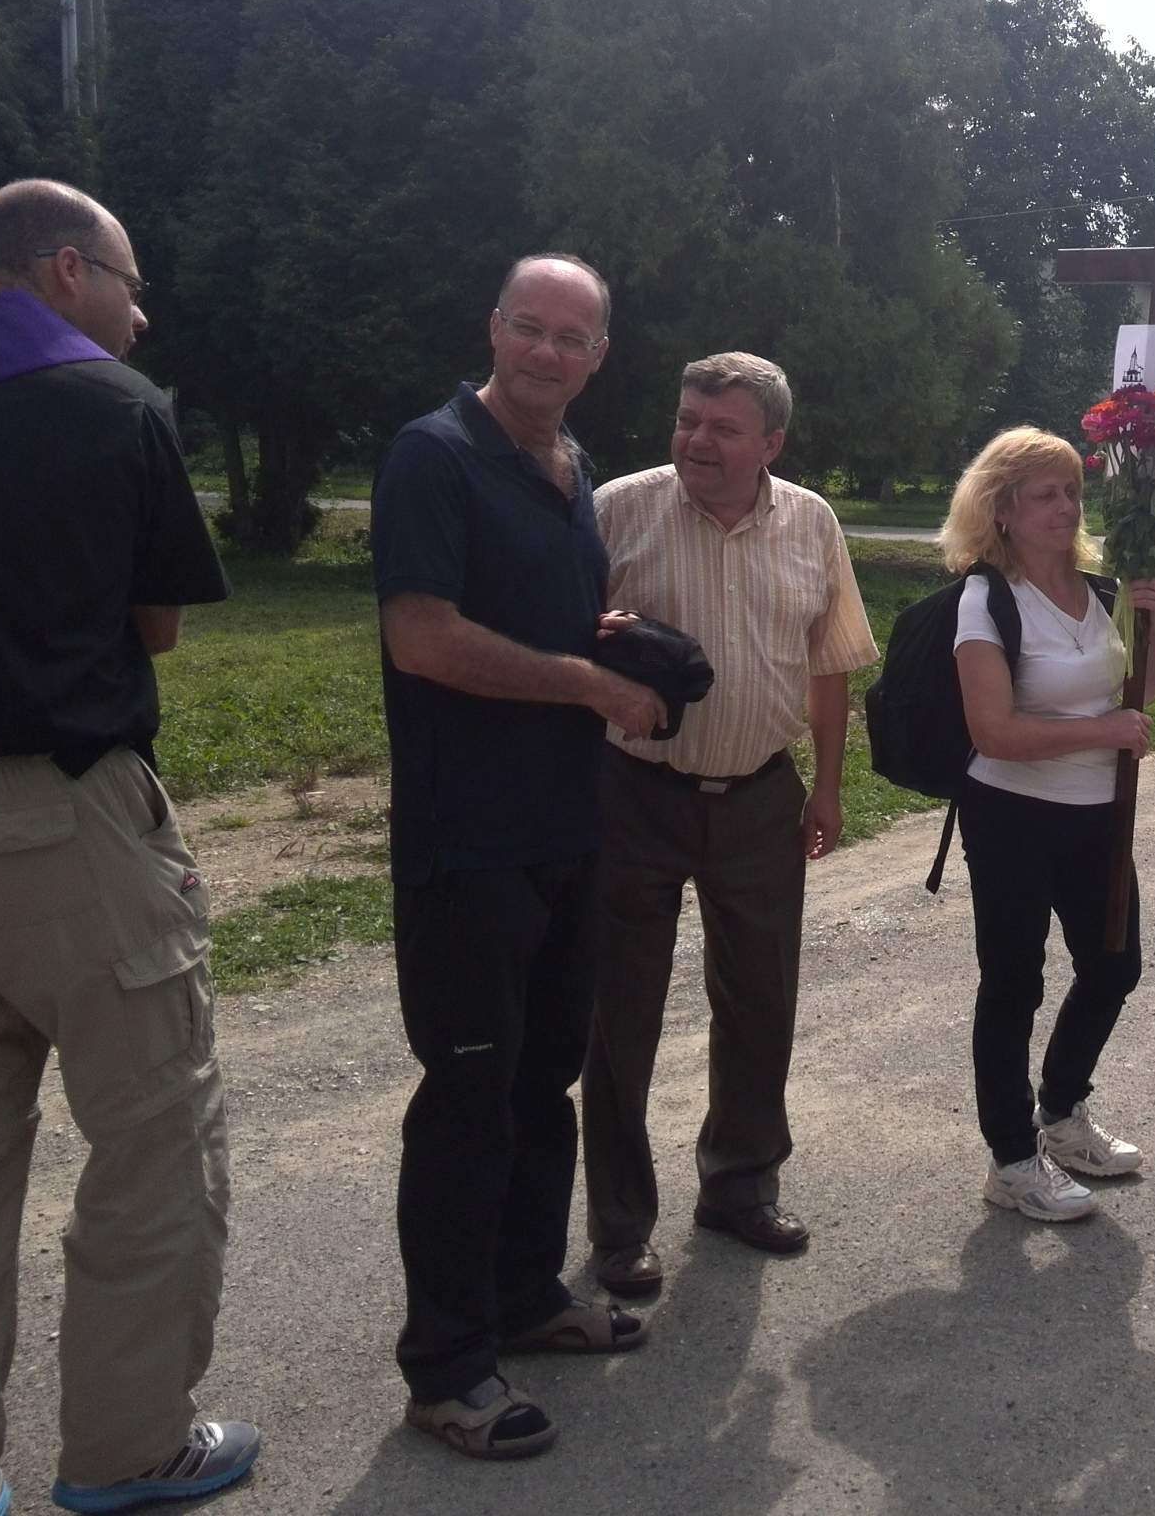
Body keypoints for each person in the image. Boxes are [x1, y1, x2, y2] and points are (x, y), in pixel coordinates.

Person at [0, 181, 257, 1516]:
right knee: (153, 1141)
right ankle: (128, 1447)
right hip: (60, 814)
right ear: (66, 270)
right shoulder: (109, 406)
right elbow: (156, 625)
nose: (139, 312)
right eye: (128, 281)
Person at [373, 253, 667, 1461]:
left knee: (544, 1078)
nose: (547, 351)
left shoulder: (569, 466)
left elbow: (532, 609)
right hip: (469, 842)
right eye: (529, 327)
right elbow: (424, 637)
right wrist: (590, 684)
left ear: (598, 358)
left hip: (565, 827)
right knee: (468, 1100)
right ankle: (447, 1367)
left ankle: (526, 1297)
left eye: (571, 337)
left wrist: (618, 641)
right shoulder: (434, 456)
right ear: (493, 328)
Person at [582, 352, 878, 1286]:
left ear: (771, 443)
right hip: (633, 793)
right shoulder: (617, 510)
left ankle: (740, 1186)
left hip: (760, 795)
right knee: (619, 1013)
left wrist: (826, 787)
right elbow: (563, 645)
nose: (697, 441)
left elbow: (829, 664)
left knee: (760, 998)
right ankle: (620, 1225)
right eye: (688, 420)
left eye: (723, 427)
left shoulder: (812, 521)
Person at [942, 427, 1155, 1222]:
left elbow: (1142, 690)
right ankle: (1011, 1160)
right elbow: (994, 731)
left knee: (1113, 965)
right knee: (1013, 982)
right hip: (1010, 812)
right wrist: (1101, 731)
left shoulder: (1100, 590)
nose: (1067, 507)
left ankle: (1061, 1113)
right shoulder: (986, 599)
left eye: (1073, 490)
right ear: (1001, 509)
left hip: (1097, 810)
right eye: (1046, 494)